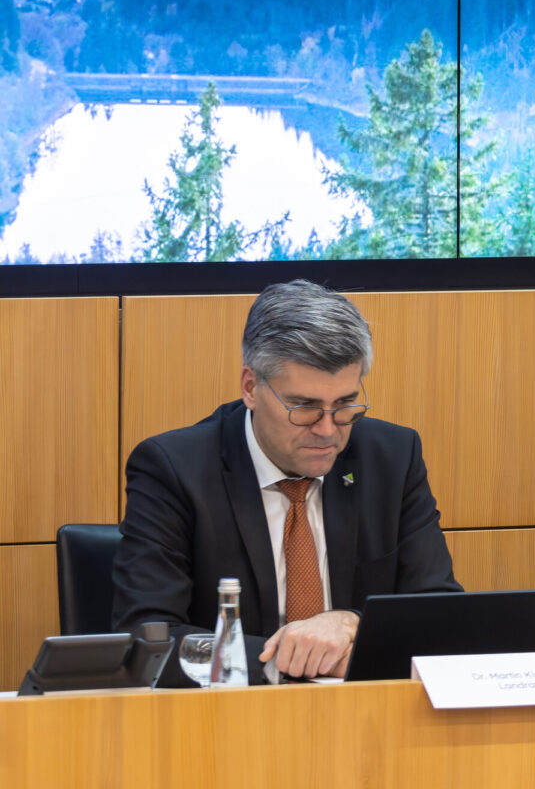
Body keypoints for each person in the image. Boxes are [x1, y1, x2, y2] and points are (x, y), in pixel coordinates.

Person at [113, 280, 458, 680]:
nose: (328, 431)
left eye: (345, 404)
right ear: (251, 388)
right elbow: (149, 640)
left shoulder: (392, 458)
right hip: (226, 722)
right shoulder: (174, 469)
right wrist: (294, 658)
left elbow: (440, 615)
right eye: (305, 407)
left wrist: (354, 625)